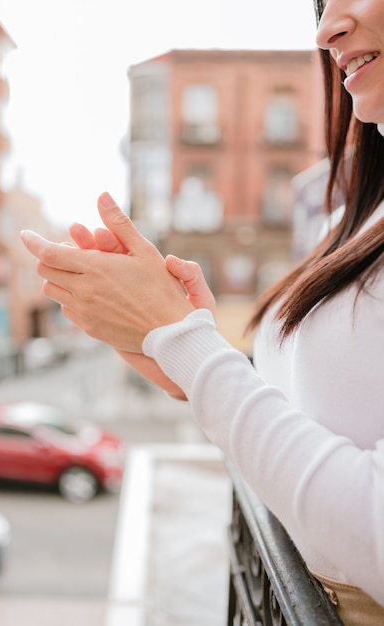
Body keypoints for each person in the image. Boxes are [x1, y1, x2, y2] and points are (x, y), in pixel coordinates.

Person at [21, 0, 384, 623]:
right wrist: (190, 365)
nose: (326, 30)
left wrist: (192, 349)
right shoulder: (359, 210)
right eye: (321, 5)